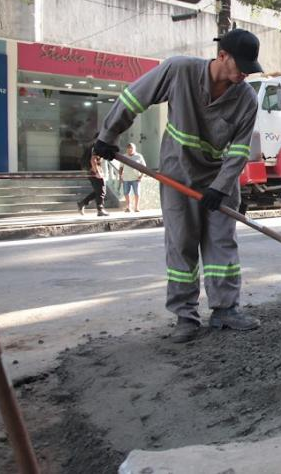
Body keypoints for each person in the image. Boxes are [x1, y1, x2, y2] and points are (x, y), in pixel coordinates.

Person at [93, 28, 265, 342]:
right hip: (178, 175)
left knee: (221, 244)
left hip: (219, 182)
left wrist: (221, 187)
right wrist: (108, 136)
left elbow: (239, 150)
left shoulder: (246, 99)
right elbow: (134, 98)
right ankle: (185, 317)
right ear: (221, 55)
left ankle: (226, 309)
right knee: (181, 244)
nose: (243, 73)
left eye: (248, 67)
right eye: (239, 65)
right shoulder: (179, 71)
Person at [77, 142, 109, 217]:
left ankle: (82, 203)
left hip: (91, 171)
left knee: (98, 191)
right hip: (94, 171)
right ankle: (100, 210)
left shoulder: (92, 147)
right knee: (101, 191)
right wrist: (97, 172)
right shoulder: (97, 147)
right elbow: (93, 160)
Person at [118, 142, 146, 212]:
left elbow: (144, 167)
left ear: (134, 149)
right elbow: (121, 167)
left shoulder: (139, 156)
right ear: (126, 149)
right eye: (128, 148)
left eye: (131, 148)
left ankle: (136, 207)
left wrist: (141, 176)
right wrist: (120, 177)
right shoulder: (124, 156)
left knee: (137, 193)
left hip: (136, 178)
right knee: (126, 193)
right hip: (126, 178)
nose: (130, 150)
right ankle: (128, 207)